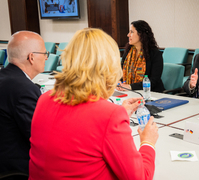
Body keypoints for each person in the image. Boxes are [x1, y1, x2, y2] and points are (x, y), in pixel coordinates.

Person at [28, 28, 159, 179]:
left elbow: (79, 130)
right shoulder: (108, 116)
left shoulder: (44, 99)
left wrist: (118, 114)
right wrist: (148, 143)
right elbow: (140, 177)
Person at [0, 31, 48, 174]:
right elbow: (39, 137)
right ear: (31, 57)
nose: (46, 58)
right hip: (17, 168)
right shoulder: (23, 89)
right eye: (44, 53)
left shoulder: (5, 78)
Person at [117, 20, 165, 92]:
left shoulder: (155, 54)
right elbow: (120, 73)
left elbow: (153, 81)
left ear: (141, 34)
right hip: (129, 92)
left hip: (151, 93)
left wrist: (130, 86)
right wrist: (119, 82)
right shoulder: (128, 52)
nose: (128, 35)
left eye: (132, 32)